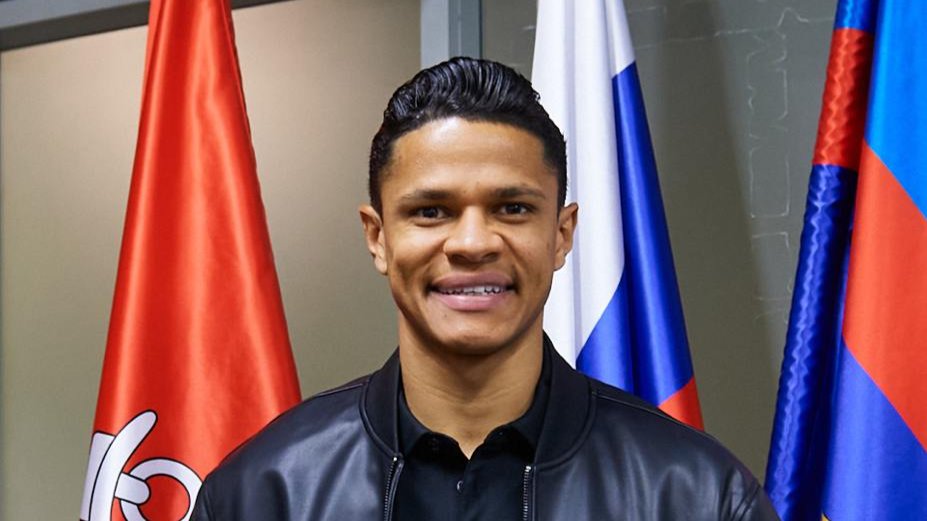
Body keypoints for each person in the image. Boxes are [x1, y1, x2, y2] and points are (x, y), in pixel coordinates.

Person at [191, 57, 778, 520]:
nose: (473, 243)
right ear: (378, 237)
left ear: (561, 235)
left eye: (513, 207)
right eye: (431, 211)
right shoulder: (261, 493)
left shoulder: (696, 494)